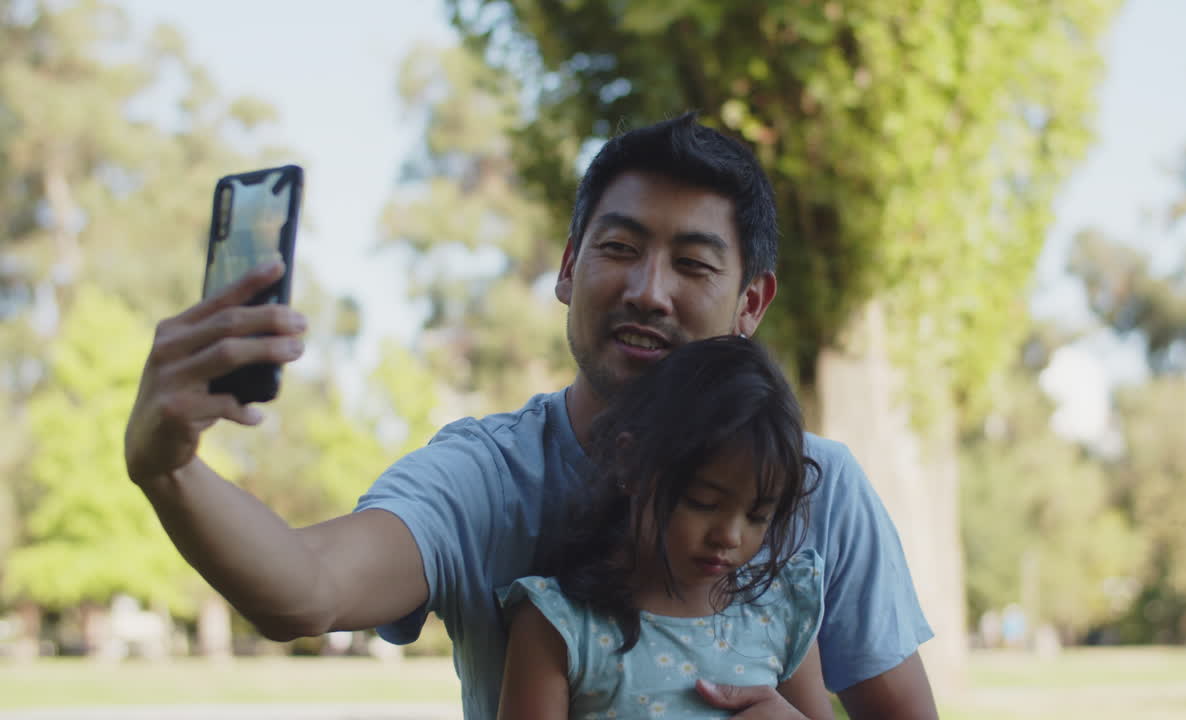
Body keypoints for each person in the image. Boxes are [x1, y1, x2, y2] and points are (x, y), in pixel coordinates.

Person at [124, 112, 938, 719]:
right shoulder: (484, 476)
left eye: (692, 263)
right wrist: (169, 469)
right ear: (567, 268)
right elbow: (304, 591)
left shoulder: (815, 488)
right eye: (619, 248)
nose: (647, 291)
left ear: (751, 302)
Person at [498, 335, 832, 719]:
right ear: (631, 463)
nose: (730, 536)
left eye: (758, 515)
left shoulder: (781, 608)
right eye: (703, 503)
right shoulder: (561, 626)